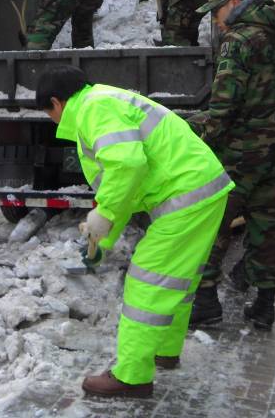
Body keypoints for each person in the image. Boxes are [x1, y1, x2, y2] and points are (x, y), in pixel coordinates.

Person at [36, 65, 233, 399]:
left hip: (186, 197)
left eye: (48, 112)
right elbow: (125, 186)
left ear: (57, 102)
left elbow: (127, 166)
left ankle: (132, 377)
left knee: (147, 281)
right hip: (200, 191)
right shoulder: (103, 101)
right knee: (175, 280)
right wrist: (100, 241)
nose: (52, 120)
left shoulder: (92, 109)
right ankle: (164, 351)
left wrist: (105, 215)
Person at [187, 0, 275, 331]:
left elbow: (223, 106)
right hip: (273, 154)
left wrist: (199, 140)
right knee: (265, 227)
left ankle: (204, 303)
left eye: (217, 12)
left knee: (208, 225)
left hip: (237, 156)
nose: (217, 22)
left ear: (234, 2)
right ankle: (264, 305)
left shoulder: (239, 40)